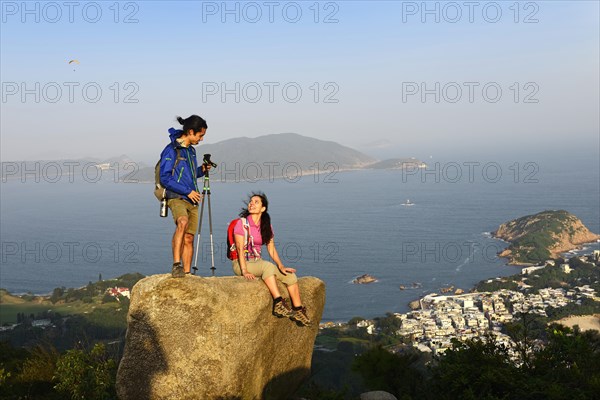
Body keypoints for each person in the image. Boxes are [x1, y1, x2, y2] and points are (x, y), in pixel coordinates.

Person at [231, 192, 311, 326]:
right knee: (267, 267)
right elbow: (239, 248)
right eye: (251, 201)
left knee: (290, 277)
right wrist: (244, 270)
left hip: (257, 262)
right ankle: (278, 302)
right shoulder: (242, 224)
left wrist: (281, 266)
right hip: (241, 263)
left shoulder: (266, 226)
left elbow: (271, 248)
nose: (251, 203)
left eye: (256, 202)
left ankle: (298, 310)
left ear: (263, 208)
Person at [159, 115, 209, 278]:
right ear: (190, 131)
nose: (201, 139)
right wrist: (187, 191)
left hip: (192, 199)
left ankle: (187, 273)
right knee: (182, 222)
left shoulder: (191, 151)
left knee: (189, 237)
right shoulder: (171, 149)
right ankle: (176, 265)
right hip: (177, 197)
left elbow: (191, 174)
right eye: (200, 135)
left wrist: (202, 169)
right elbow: (165, 178)